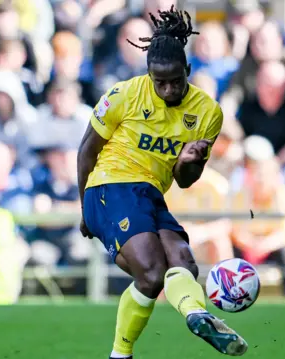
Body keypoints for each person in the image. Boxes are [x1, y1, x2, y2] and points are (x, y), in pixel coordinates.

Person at [77, 7, 247, 359]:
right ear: (148, 74)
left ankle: (196, 315)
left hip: (151, 193)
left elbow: (186, 181)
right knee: (153, 271)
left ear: (188, 70)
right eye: (160, 82)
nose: (168, 89)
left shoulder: (208, 113)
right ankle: (123, 353)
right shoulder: (123, 95)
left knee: (182, 261)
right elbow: (86, 152)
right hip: (111, 186)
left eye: (175, 80)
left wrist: (188, 162)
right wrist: (85, 210)